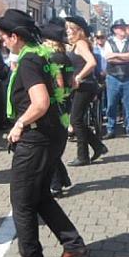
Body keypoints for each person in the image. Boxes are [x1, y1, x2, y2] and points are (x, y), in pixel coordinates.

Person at [0, 9, 87, 257]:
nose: (1, 39)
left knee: (21, 200)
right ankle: (73, 243)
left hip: (36, 137)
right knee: (40, 195)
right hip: (50, 134)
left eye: (4, 34)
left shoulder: (30, 61)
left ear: (15, 36)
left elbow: (41, 103)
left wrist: (19, 124)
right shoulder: (40, 55)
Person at [65, 15, 107, 167]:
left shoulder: (81, 43)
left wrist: (78, 77)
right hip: (83, 86)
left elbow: (92, 62)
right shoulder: (76, 44)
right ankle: (98, 146)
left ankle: (83, 156)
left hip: (85, 86)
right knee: (77, 120)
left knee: (76, 120)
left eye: (71, 29)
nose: (68, 31)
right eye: (67, 29)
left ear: (79, 30)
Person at [39, 20, 73, 196]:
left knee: (51, 147)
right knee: (56, 145)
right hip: (66, 104)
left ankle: (56, 184)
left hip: (56, 105)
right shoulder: (66, 57)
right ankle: (62, 179)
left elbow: (58, 82)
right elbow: (73, 82)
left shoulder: (51, 58)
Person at [103, 19, 129, 141]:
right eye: (120, 27)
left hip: (128, 77)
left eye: (124, 27)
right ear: (114, 30)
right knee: (111, 105)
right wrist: (126, 57)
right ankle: (111, 129)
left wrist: (116, 56)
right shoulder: (108, 42)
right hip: (113, 77)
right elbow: (108, 58)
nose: (122, 29)